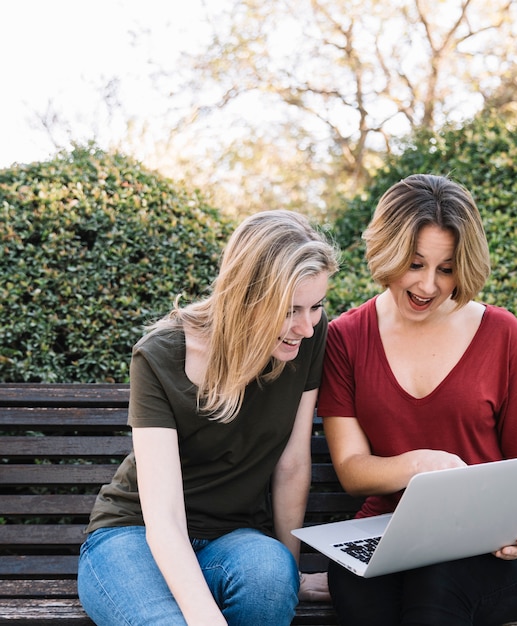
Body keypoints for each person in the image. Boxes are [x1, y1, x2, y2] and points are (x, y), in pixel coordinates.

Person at [317, 174, 517, 625]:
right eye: (414, 263)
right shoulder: (345, 339)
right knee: (362, 592)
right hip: (386, 531)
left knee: (438, 586)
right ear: (387, 251)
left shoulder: (501, 334)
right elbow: (352, 469)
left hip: (500, 537)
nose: (428, 285)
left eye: (446, 269)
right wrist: (418, 465)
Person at [78, 209, 338, 626]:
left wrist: (289, 574)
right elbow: (162, 518)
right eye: (290, 310)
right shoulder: (160, 354)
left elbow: (291, 465)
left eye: (317, 306)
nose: (306, 327)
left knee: (270, 583)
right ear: (247, 296)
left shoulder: (306, 339)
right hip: (134, 535)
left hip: (233, 540)